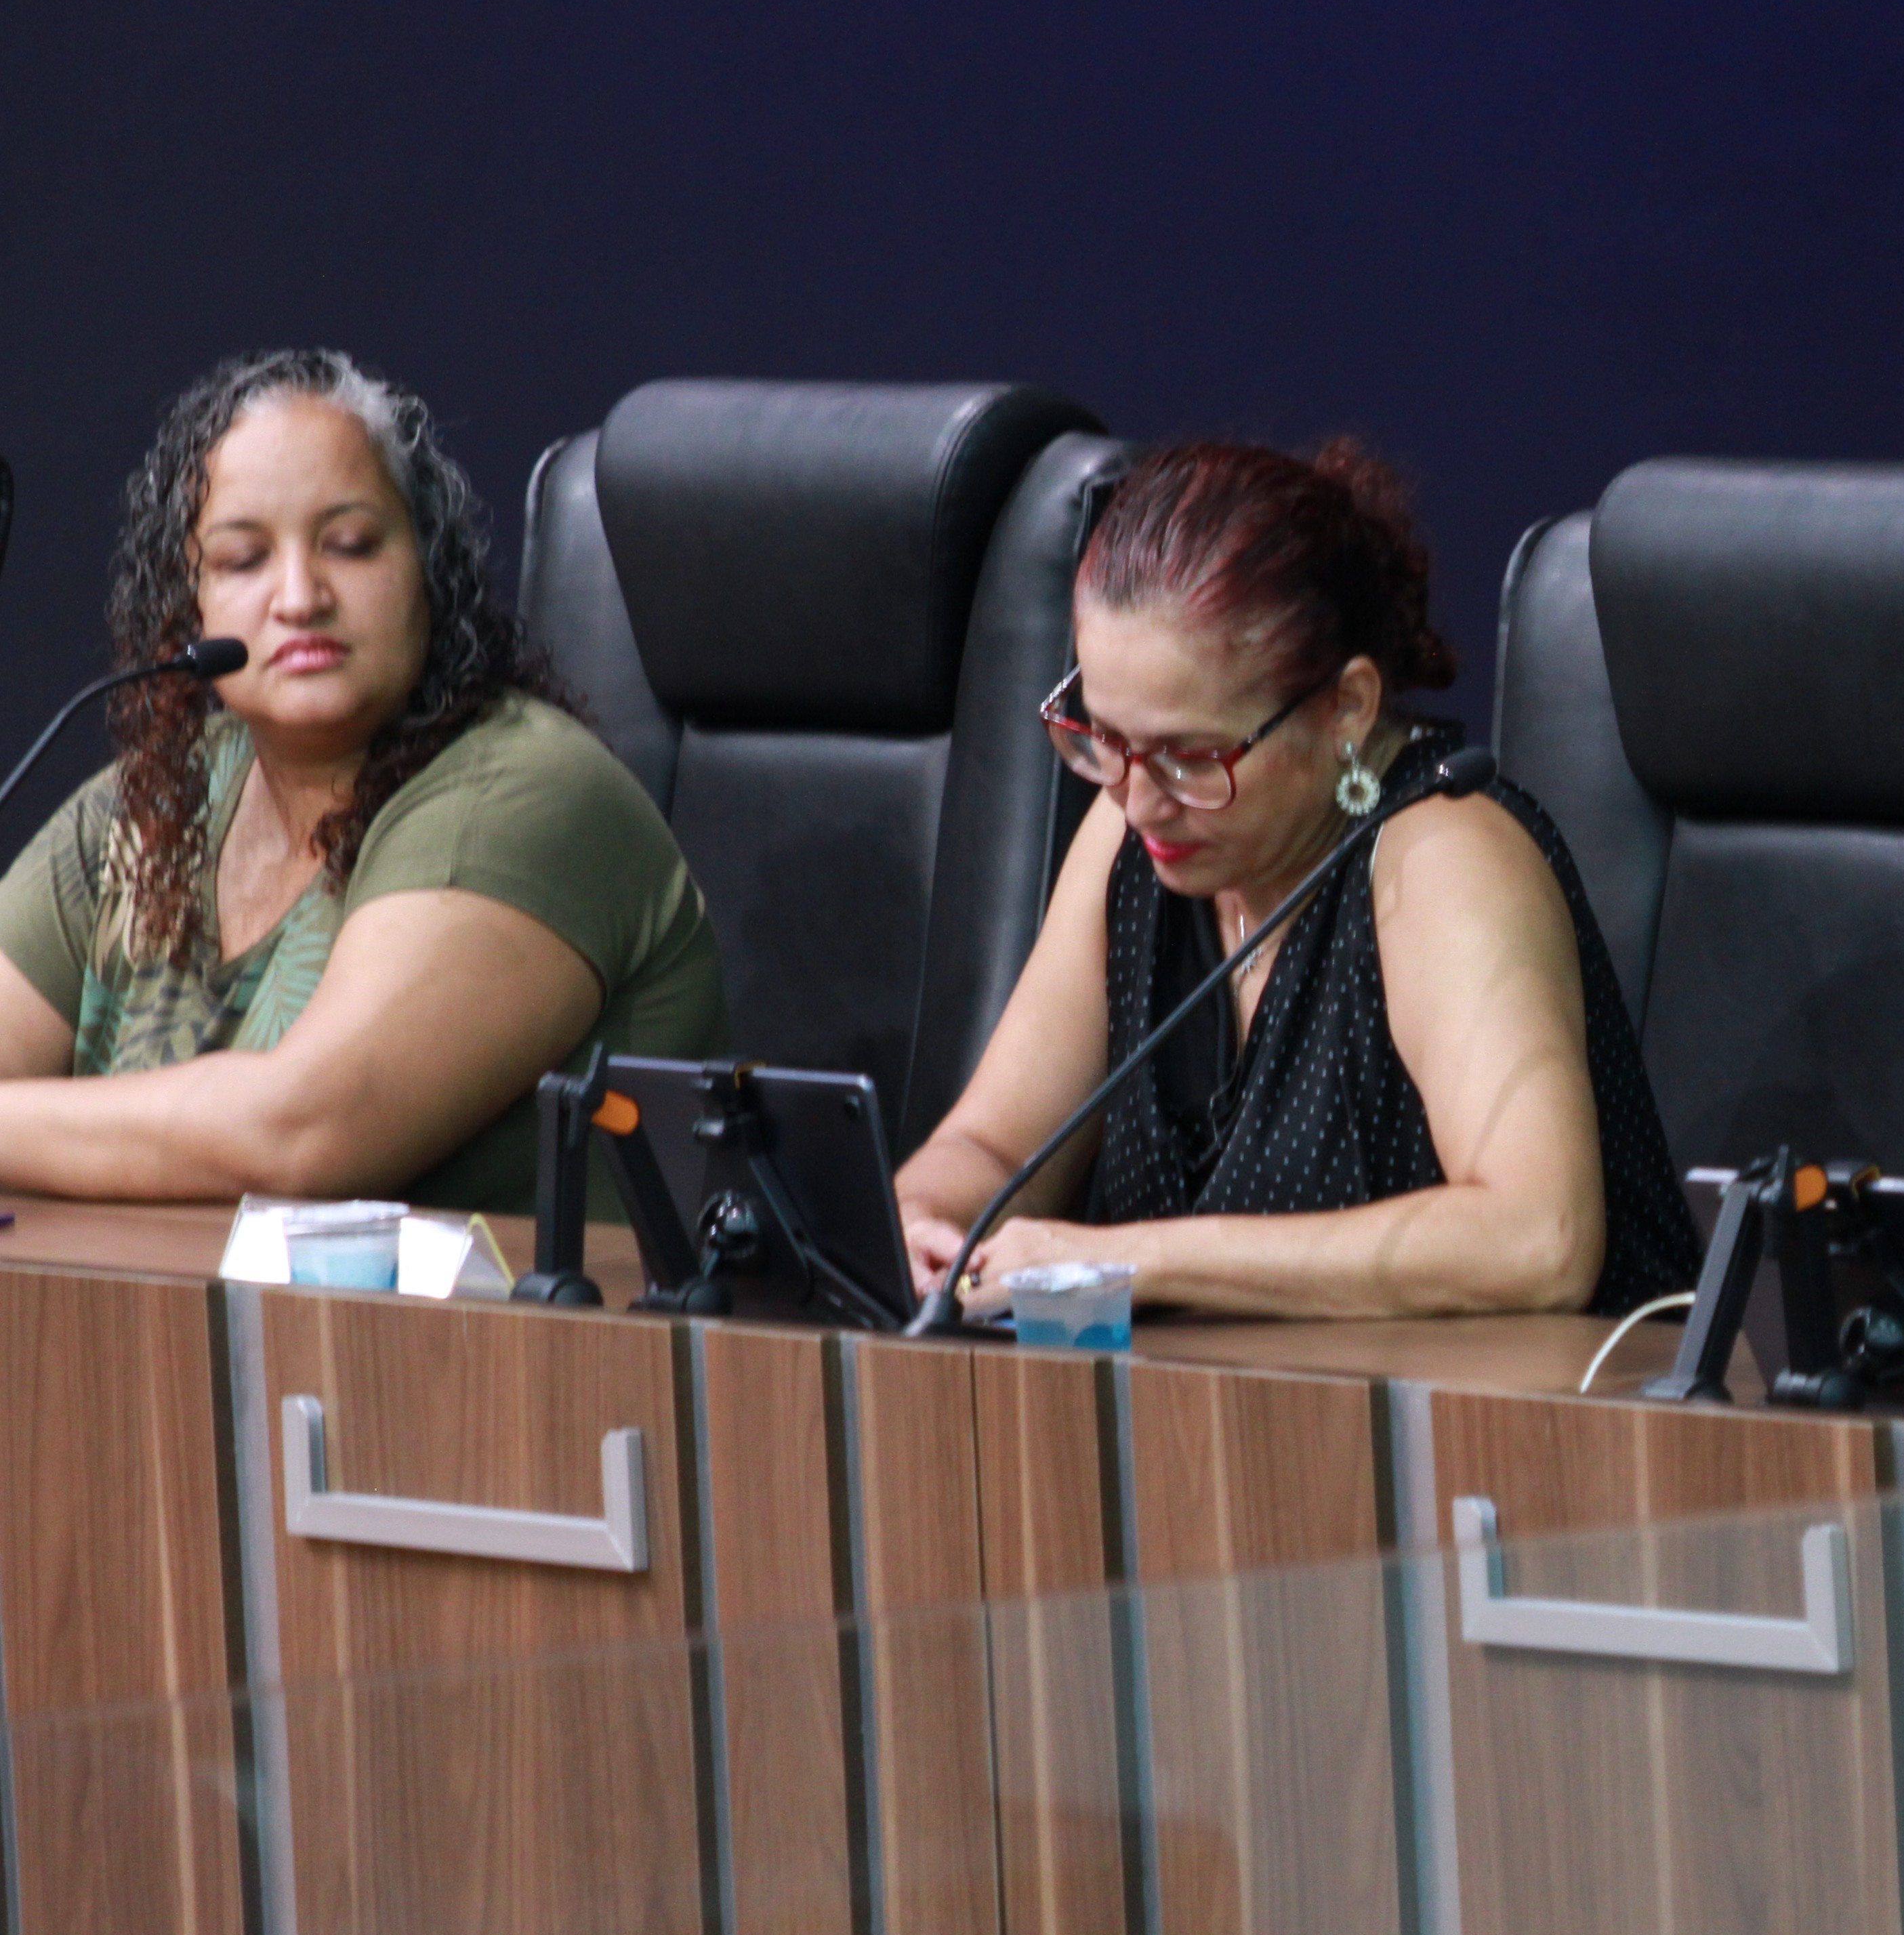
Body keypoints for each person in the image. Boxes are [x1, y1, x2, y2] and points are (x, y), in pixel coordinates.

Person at [898, 438, 1697, 1320]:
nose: (1139, 800)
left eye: (1192, 756)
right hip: (1212, 1405)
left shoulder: (1442, 856)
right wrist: (922, 1216)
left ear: (1346, 708)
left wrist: (1123, 1260)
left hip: (1519, 1409)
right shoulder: (1131, 829)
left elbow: (1540, 1241)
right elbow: (992, 1146)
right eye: (1105, 739)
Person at [0, 349, 726, 1211]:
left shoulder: (525, 792)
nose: (299, 597)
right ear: (187, 607)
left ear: (429, 567)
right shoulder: (154, 804)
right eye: (243, 560)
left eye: (349, 546)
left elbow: (305, 1133)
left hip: (524, 1308)